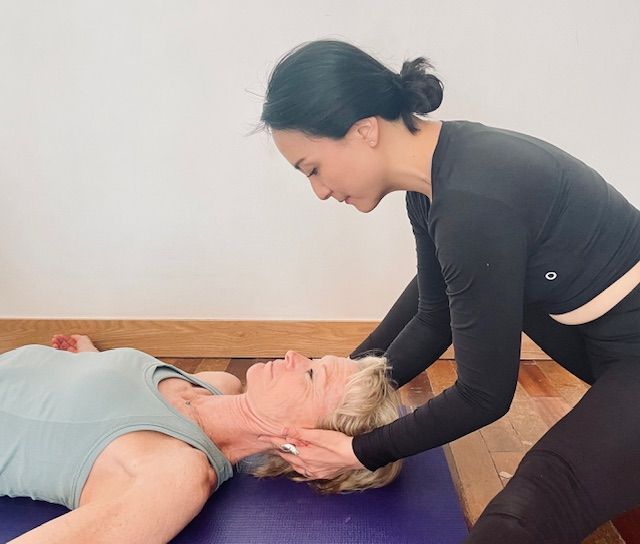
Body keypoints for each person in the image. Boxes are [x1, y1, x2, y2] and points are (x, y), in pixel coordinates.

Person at [258, 39, 640, 543]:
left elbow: (483, 395)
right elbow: (433, 312)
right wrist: (341, 385)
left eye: (313, 168)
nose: (320, 191)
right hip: (607, 344)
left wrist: (358, 452)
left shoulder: (473, 198)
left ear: (364, 130)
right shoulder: (435, 185)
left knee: (531, 508)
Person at [0, 334, 402, 543]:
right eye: (314, 360)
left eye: (311, 375)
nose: (295, 356)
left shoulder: (177, 473)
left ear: (307, 441)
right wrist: (89, 361)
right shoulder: (217, 383)